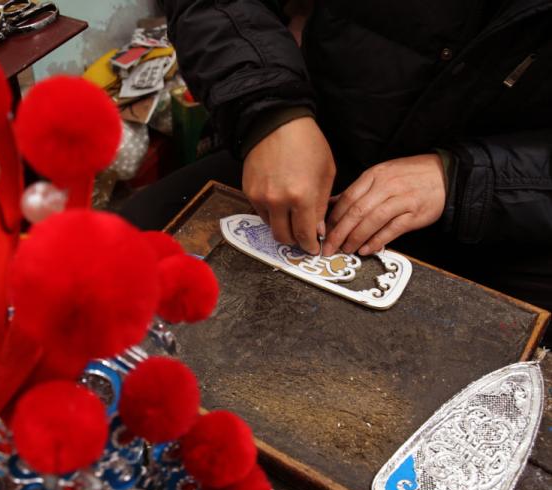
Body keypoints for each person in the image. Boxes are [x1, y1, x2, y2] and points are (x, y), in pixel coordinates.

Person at [121, 0, 552, 325]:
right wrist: (269, 112)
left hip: (513, 217)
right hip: (315, 147)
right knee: (102, 271)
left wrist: (465, 179)